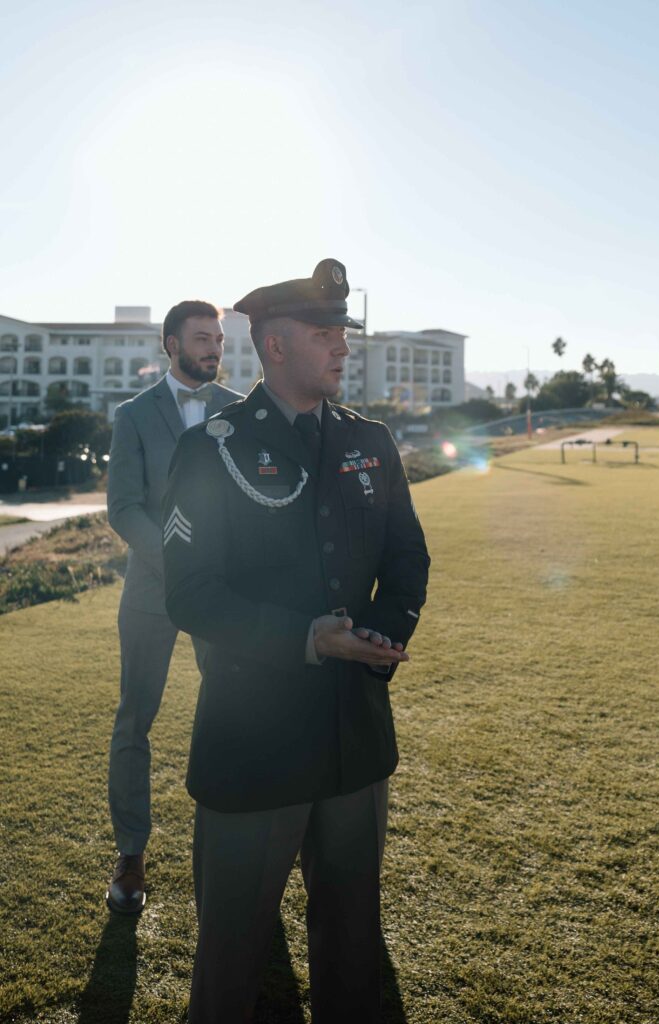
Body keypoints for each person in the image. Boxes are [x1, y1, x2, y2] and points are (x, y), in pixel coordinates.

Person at [162, 260, 430, 1022]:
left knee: (352, 953)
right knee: (230, 967)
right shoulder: (211, 448)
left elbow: (407, 560)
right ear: (274, 347)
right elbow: (191, 593)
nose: (343, 349)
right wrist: (307, 639)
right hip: (254, 747)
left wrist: (382, 635)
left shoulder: (369, 440)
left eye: (343, 334)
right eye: (325, 335)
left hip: (354, 741)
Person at [106, 300, 242, 914]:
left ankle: (238, 843)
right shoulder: (133, 416)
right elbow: (123, 507)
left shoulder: (238, 410)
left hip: (223, 597)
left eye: (218, 338)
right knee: (136, 719)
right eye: (202, 339)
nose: (215, 348)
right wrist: (177, 560)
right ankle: (131, 854)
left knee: (235, 708)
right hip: (151, 593)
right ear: (171, 344)